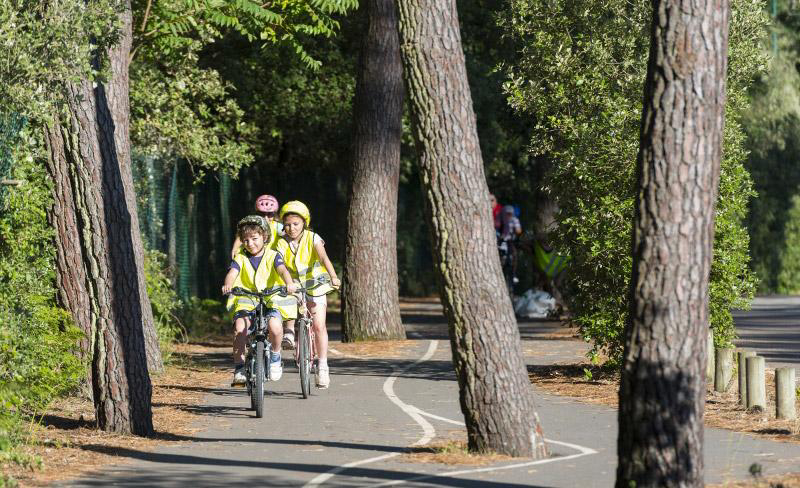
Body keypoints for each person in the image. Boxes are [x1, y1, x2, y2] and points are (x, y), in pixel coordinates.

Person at [222, 215, 297, 386]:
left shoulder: (273, 255)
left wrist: (289, 283)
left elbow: (282, 270)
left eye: (254, 239)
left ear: (264, 237)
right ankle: (240, 368)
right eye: (246, 240)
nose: (250, 243)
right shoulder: (240, 257)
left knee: (275, 326)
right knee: (240, 328)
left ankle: (276, 356)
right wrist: (228, 285)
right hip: (247, 297)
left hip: (271, 297)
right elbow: (232, 273)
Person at [275, 201, 341, 389]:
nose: (291, 228)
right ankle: (289, 332)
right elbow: (278, 263)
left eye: (296, 224)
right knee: (286, 303)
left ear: (304, 223)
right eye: (287, 224)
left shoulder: (313, 238)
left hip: (316, 284)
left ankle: (322, 365)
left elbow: (323, 257)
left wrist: (333, 276)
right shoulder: (280, 242)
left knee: (319, 325)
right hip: (293, 285)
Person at [230, 194, 283, 259]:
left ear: (275, 214)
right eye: (262, 214)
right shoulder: (253, 224)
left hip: (272, 259)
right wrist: (235, 249)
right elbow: (241, 235)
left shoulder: (278, 226)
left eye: (270, 214)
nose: (266, 218)